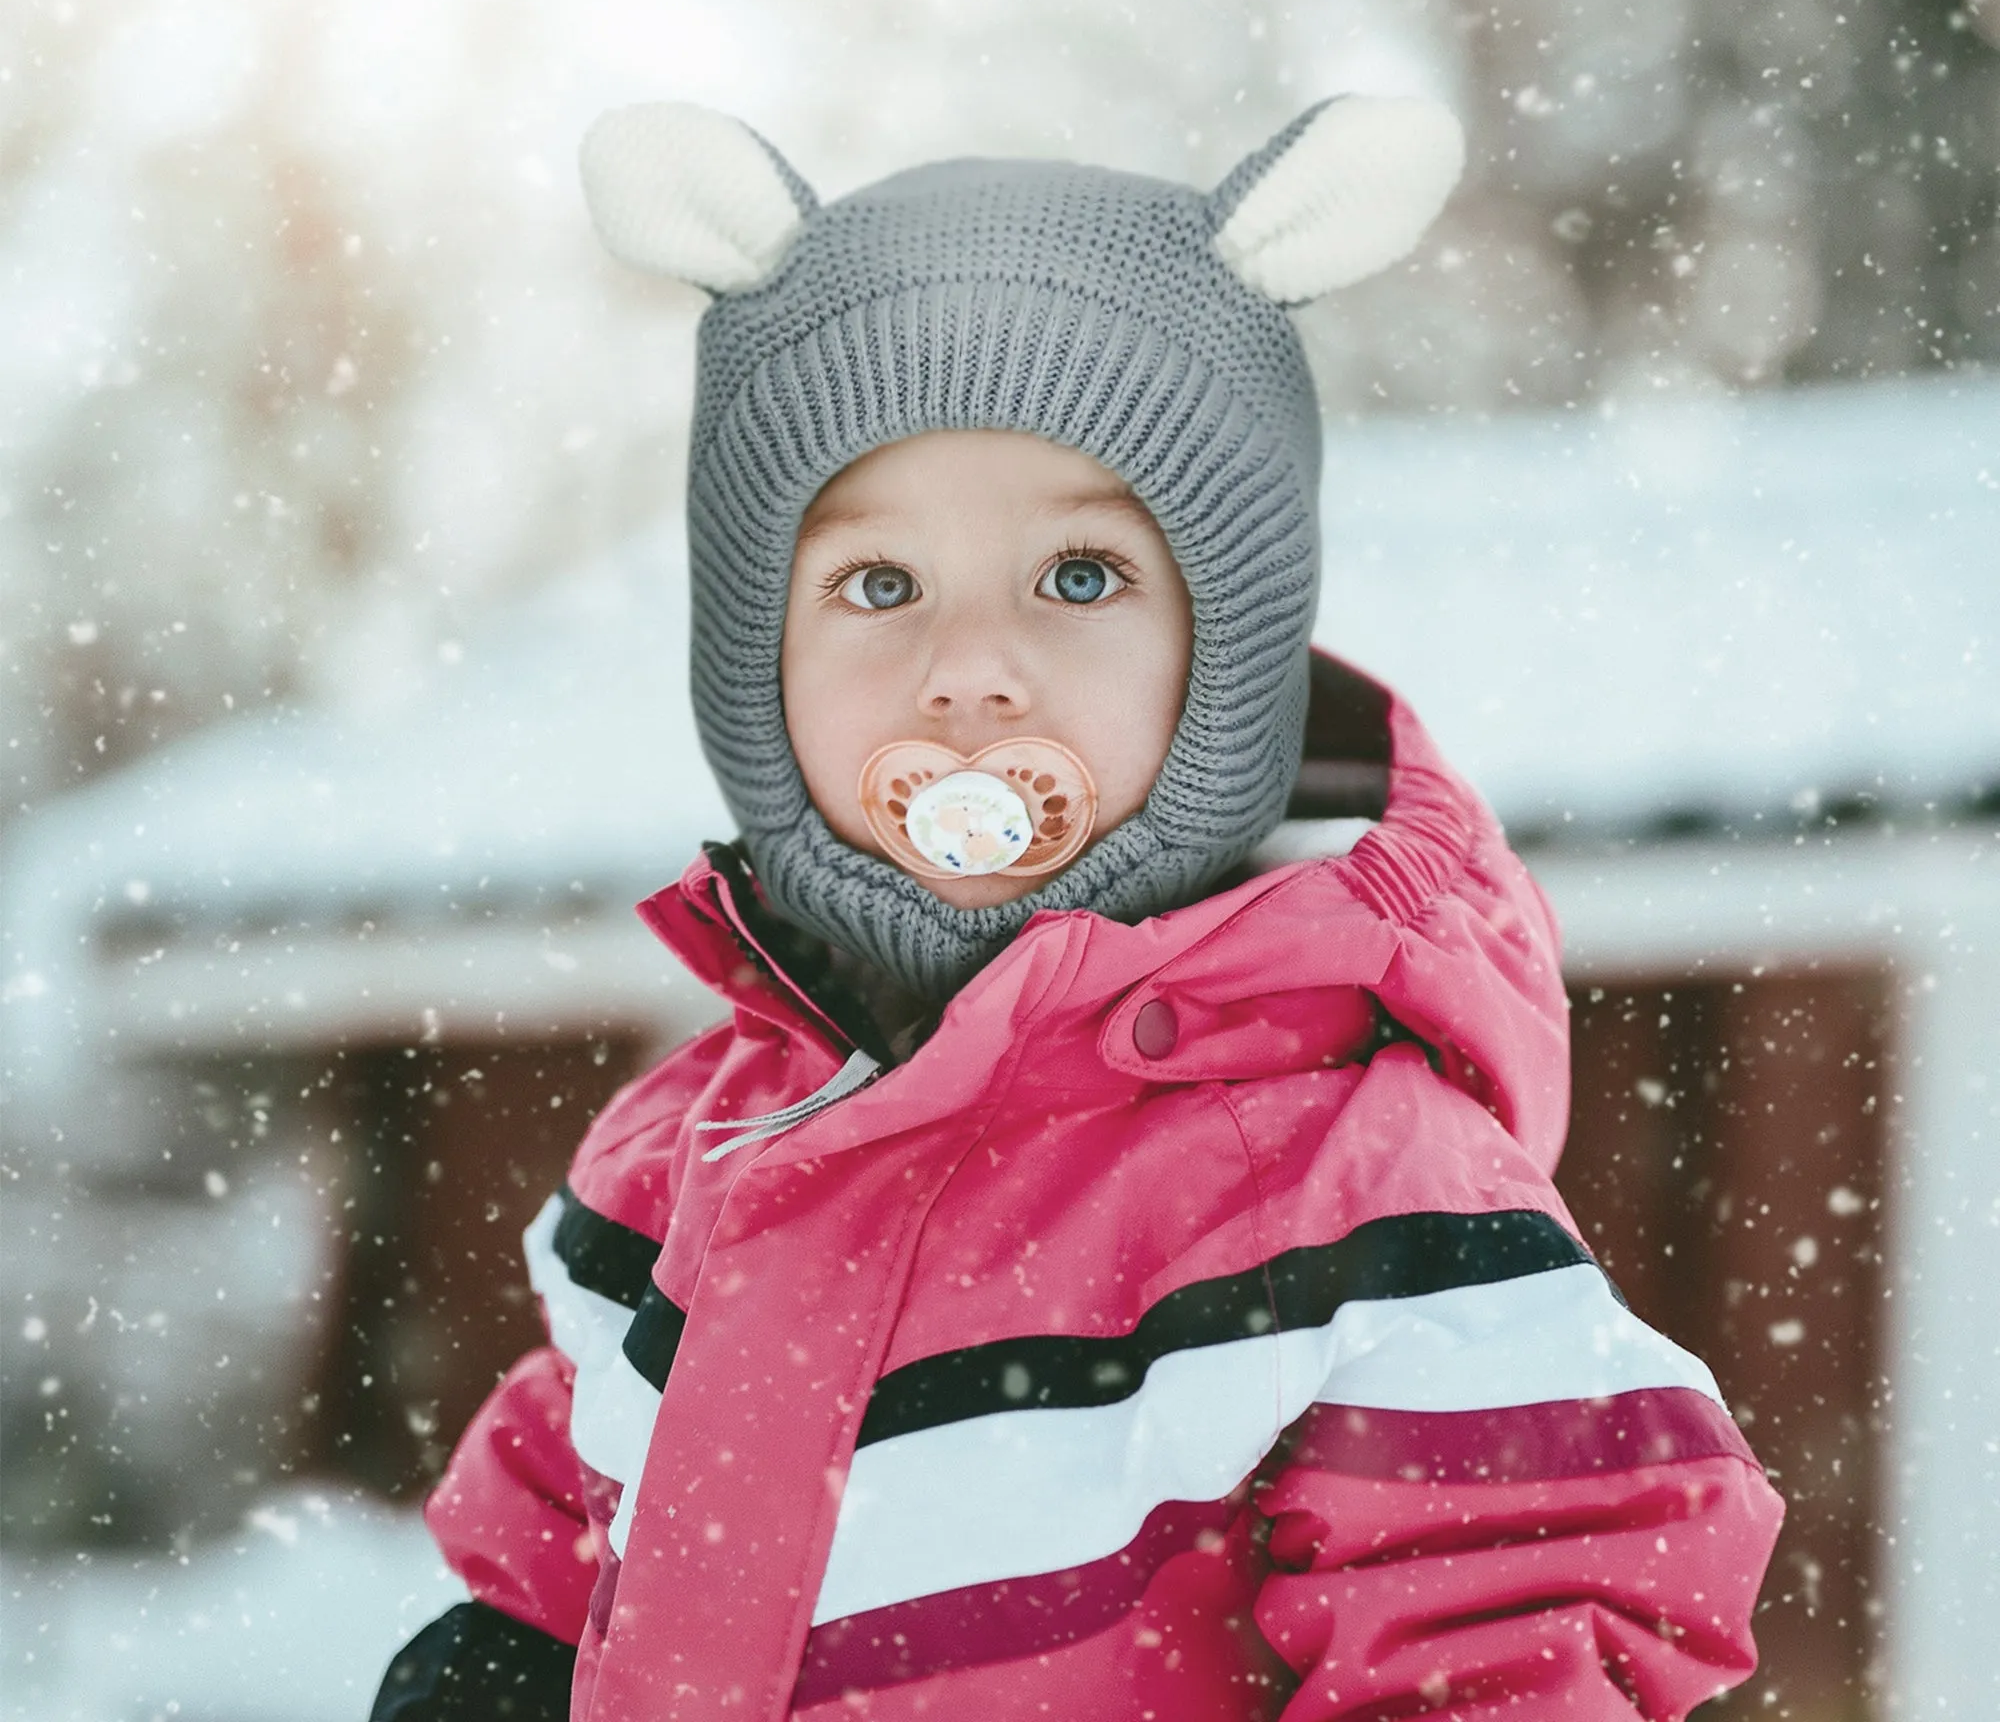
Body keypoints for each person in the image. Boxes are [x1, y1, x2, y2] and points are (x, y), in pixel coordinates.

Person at [369, 98, 1782, 1722]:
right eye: (879, 586)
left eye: (1081, 578)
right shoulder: (686, 1155)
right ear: (755, 672)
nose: (971, 666)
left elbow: (1515, 1621)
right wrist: (506, 1665)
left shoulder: (1356, 1194)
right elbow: (576, 1517)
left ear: (1227, 661)